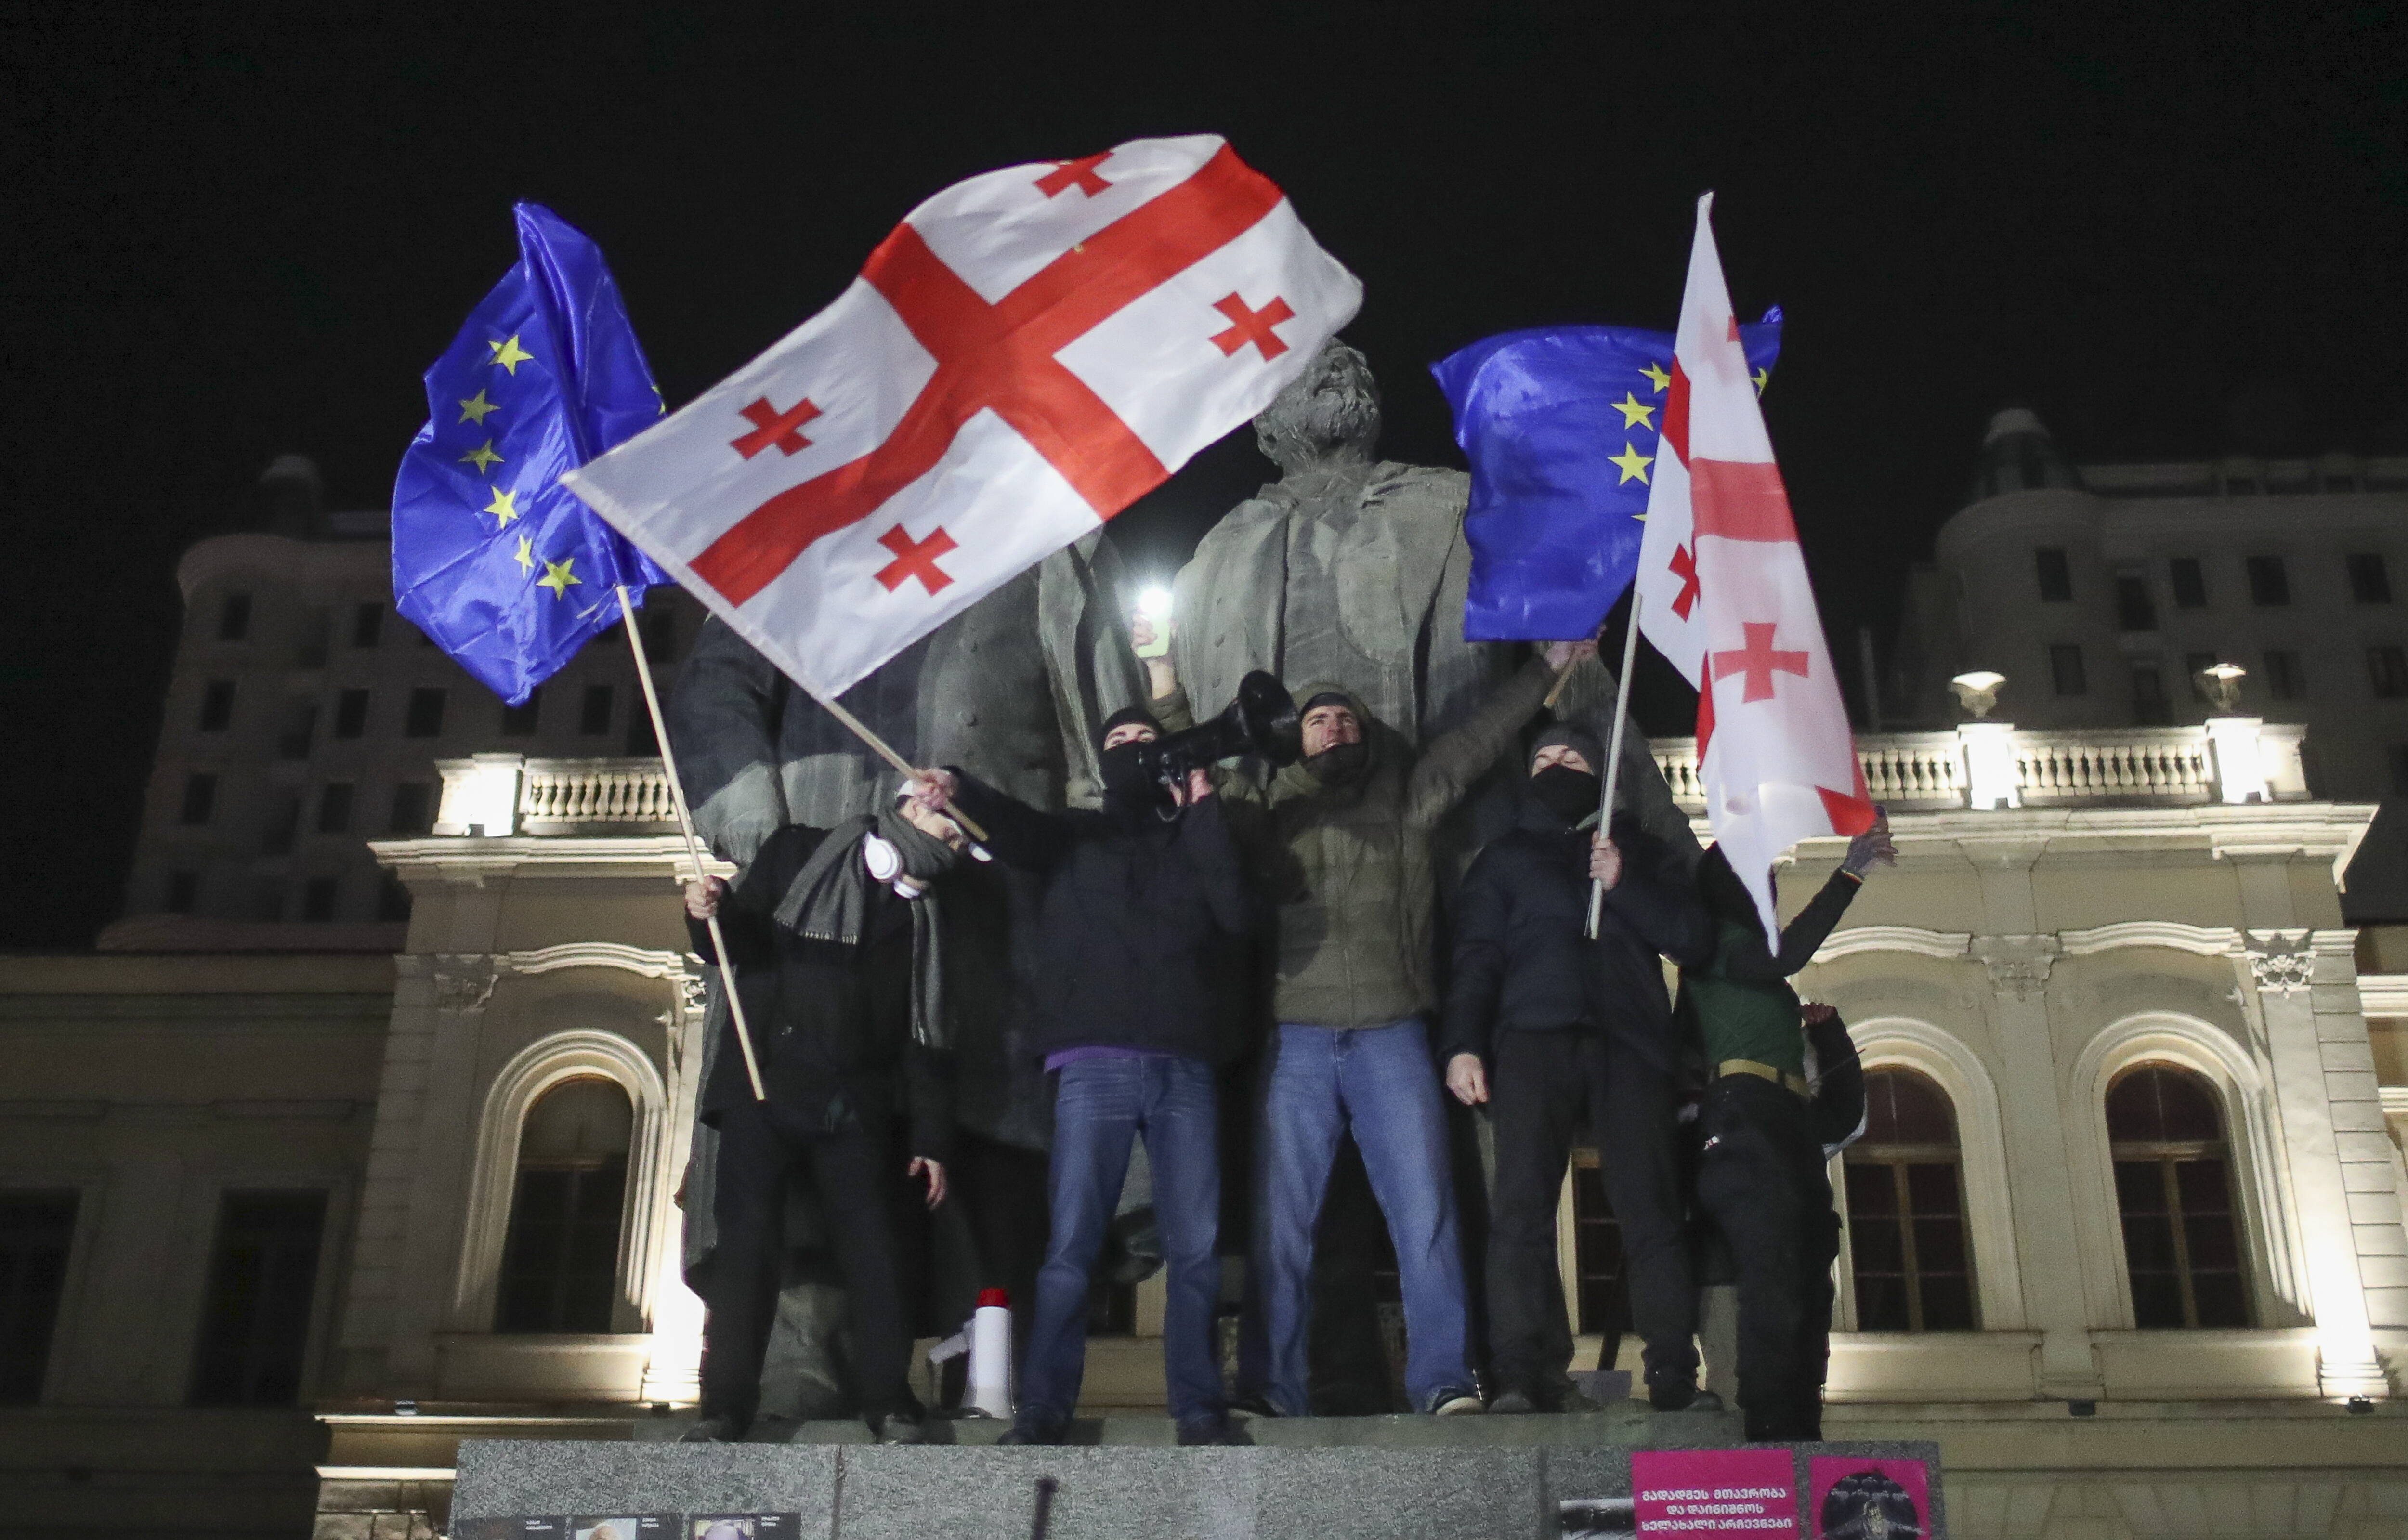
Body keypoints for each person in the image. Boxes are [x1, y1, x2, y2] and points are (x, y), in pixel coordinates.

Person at [667, 537, 1149, 1416]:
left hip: (992, 878)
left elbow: (1104, 724)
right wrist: (769, 839)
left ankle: (991, 1353)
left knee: (989, 1131)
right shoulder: (790, 517)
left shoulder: (1043, 518)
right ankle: (804, 1339)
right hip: (813, 867)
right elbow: (714, 690)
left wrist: (1105, 863)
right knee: (808, 1126)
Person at [1231, 640, 1595, 1418]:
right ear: (1295, 737)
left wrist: (1548, 668)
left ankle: (1443, 1378)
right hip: (1296, 1037)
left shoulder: (1405, 795)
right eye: (1317, 719)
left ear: (1365, 734)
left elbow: (1475, 742)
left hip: (1394, 1034)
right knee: (1282, 1227)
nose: (1332, 729)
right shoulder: (1265, 810)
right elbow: (1196, 805)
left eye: (1344, 719)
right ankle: (1273, 1385)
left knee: (1424, 1215)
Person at [912, 705, 1254, 1446]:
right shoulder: (1073, 836)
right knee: (1070, 1248)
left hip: (1183, 1064)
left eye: (1144, 740)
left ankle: (1198, 1407)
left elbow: (1236, 910)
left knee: (1195, 1249)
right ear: (1104, 765)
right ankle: (1044, 1408)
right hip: (1092, 1063)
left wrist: (1202, 812)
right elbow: (1012, 827)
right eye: (1118, 741)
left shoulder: (1195, 836)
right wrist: (960, 789)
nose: (1132, 748)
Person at [675, 791, 968, 1446]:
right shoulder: (800, 850)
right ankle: (723, 1407)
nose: (949, 824)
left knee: (877, 1256)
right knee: (746, 1254)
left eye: (954, 825)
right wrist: (708, 912)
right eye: (940, 810)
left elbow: (925, 1031)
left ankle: (889, 1403)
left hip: (853, 1104)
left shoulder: (925, 913)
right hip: (763, 1085)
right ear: (908, 805)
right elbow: (738, 940)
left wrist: (930, 1135)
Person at [1440, 724, 1715, 1413]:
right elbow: (1476, 959)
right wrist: (1463, 1043)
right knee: (1521, 1210)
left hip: (1630, 1043)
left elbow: (1692, 937)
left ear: (1598, 773)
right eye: (1543, 759)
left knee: (1650, 1207)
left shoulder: (1639, 849)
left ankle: (1675, 1372)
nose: (1557, 767)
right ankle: (1521, 1372)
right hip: (1533, 1038)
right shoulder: (1503, 859)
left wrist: (1623, 882)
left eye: (1572, 759)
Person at [1681, 813, 1894, 1441]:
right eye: (1761, 878)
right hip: (1745, 1116)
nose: (1768, 888)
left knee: (1808, 1279)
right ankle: (1771, 1428)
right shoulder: (1716, 946)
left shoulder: (1755, 971)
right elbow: (1789, 951)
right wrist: (1850, 873)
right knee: (1773, 1278)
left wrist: (1827, 1036)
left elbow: (1840, 1115)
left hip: (1786, 1123)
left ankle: (1802, 1428)